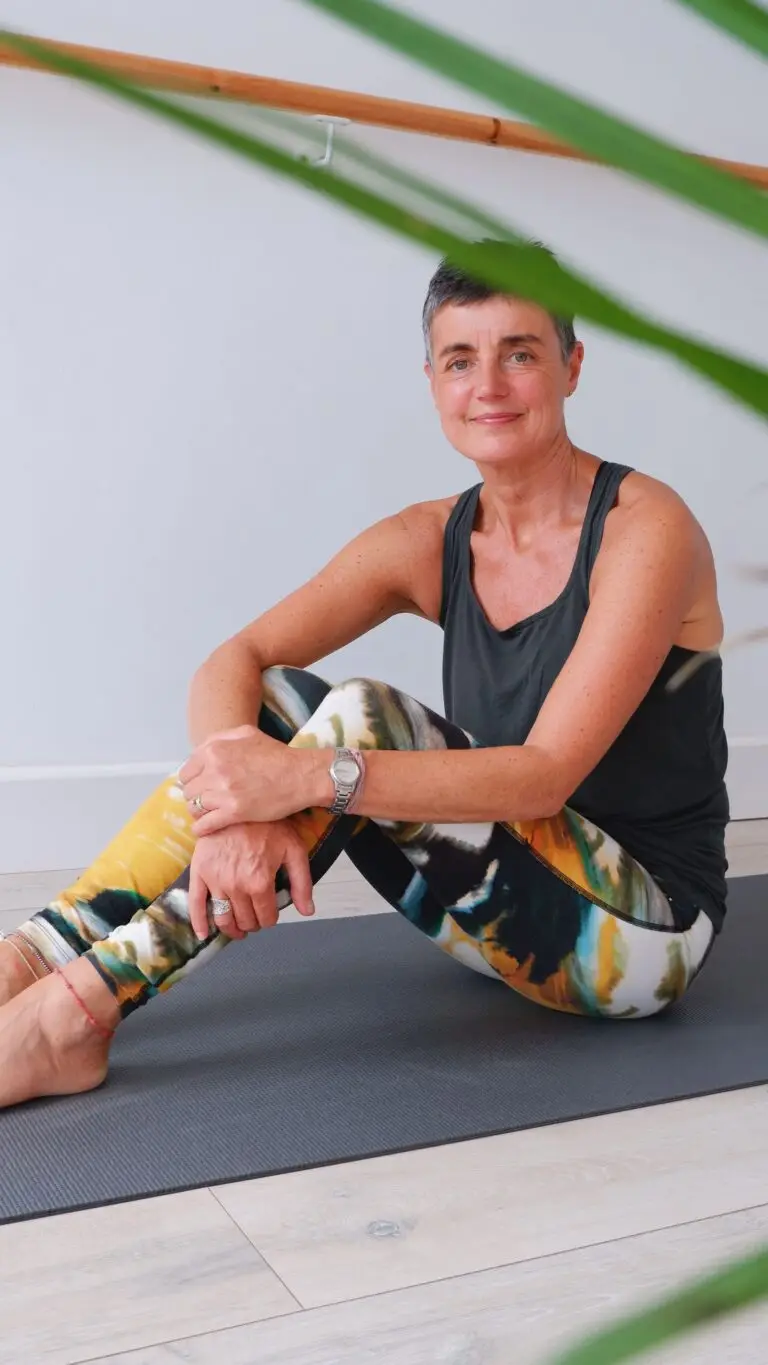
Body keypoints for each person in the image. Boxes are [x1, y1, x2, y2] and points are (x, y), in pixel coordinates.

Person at [0, 240, 729, 1111]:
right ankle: (32, 959)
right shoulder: (429, 538)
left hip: (641, 938)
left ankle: (73, 1017)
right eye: (462, 360)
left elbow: (545, 777)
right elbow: (233, 662)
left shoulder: (647, 529)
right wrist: (238, 813)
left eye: (521, 354)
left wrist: (301, 775)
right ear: (432, 381)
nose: (488, 386)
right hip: (503, 901)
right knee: (271, 704)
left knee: (355, 720)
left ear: (572, 366)